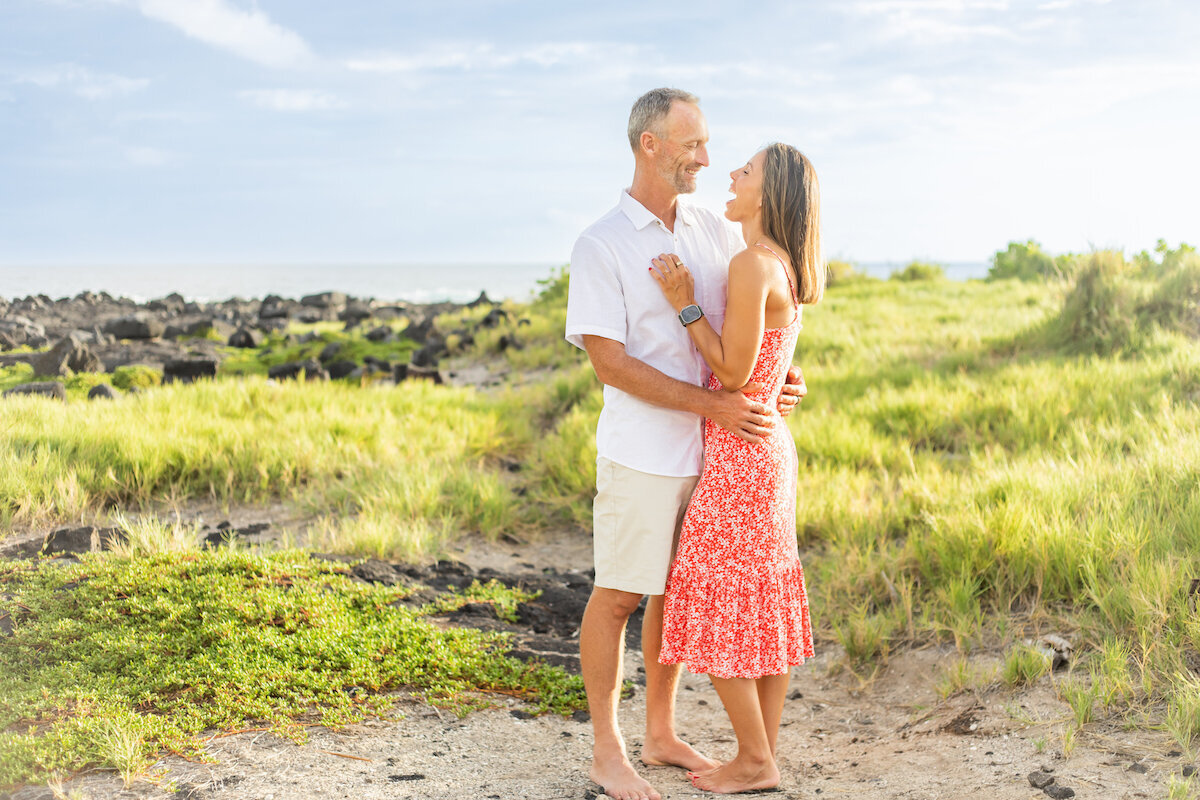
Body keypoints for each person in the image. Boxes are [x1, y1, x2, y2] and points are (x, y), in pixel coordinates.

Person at [565, 88, 807, 800]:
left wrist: (781, 380)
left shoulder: (713, 228)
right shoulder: (600, 243)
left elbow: (759, 321)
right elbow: (609, 363)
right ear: (651, 145)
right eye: (693, 143)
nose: (707, 157)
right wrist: (722, 402)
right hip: (644, 452)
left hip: (719, 451)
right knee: (618, 597)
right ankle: (609, 751)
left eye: (707, 145)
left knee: (676, 597)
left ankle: (661, 733)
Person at [649, 142, 823, 794]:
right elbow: (770, 369)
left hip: (741, 457)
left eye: (744, 171)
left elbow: (733, 373)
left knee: (715, 599)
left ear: (767, 193)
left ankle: (752, 759)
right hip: (766, 448)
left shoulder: (753, 263)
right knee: (762, 601)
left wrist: (684, 302)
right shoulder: (782, 264)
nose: (730, 174)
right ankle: (761, 758)